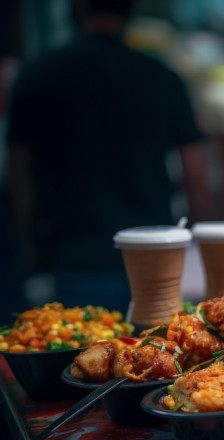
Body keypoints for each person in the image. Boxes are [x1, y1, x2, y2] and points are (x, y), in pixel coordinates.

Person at [5, 0, 210, 313]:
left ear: (78, 9)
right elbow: (195, 175)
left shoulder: (39, 75)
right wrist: (198, 250)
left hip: (76, 252)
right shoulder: (162, 77)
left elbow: (18, 175)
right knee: (157, 352)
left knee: (83, 355)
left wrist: (29, 244)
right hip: (154, 255)